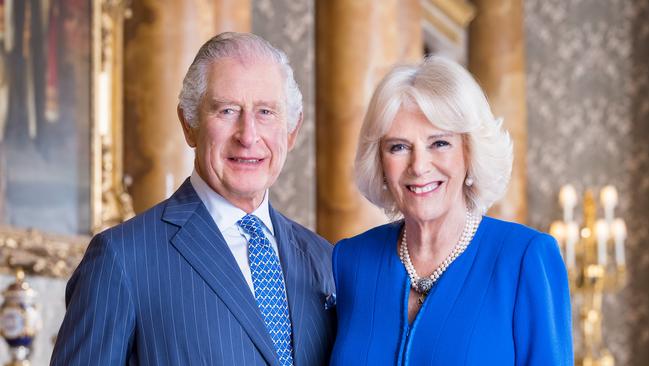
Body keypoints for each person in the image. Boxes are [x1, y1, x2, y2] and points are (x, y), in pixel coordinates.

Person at [50, 32, 336, 366]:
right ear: (189, 124)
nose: (248, 135)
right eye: (227, 110)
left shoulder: (324, 260)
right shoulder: (121, 259)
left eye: (266, 112)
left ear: (291, 130)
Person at [330, 56, 573, 365]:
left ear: (469, 152)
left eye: (439, 143)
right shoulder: (350, 260)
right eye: (398, 147)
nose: (418, 166)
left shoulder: (524, 258)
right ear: (379, 162)